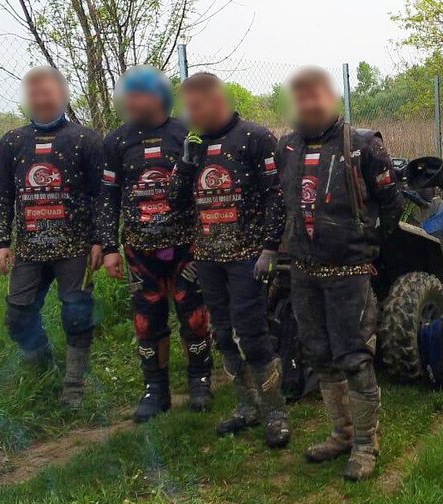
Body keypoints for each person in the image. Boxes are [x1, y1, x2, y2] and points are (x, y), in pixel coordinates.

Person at [276, 66, 403, 481]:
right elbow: (281, 203)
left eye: (315, 96)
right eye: (301, 98)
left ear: (331, 99)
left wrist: (365, 248)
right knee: (319, 355)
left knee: (354, 356)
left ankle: (366, 444)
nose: (308, 104)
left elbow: (392, 204)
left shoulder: (364, 145)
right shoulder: (287, 146)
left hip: (348, 272)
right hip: (304, 272)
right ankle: (341, 434)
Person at [167, 72, 290, 448]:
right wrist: (185, 164)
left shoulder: (255, 137)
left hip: (247, 255)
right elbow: (175, 202)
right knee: (222, 334)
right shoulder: (194, 145)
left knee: (251, 334)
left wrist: (270, 247)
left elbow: (277, 196)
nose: (188, 115)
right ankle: (245, 406)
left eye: (194, 107)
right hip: (208, 256)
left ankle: (275, 412)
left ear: (216, 101)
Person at [93, 66, 213, 424]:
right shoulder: (115, 141)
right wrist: (109, 247)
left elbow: (205, 187)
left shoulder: (185, 133)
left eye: (138, 95)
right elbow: (107, 196)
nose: (130, 102)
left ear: (158, 96)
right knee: (147, 321)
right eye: (127, 95)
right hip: (139, 249)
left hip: (186, 245)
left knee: (193, 314)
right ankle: (155, 390)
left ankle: (200, 380)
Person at [0, 66, 102, 408]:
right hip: (29, 248)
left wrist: (101, 241)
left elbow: (102, 196)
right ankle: (44, 369)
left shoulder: (85, 139)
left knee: (76, 314)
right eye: (35, 93)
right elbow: (1, 195)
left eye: (48, 92)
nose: (42, 99)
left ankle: (74, 387)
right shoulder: (11, 142)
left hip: (75, 247)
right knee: (17, 316)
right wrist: (1, 242)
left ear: (62, 95)